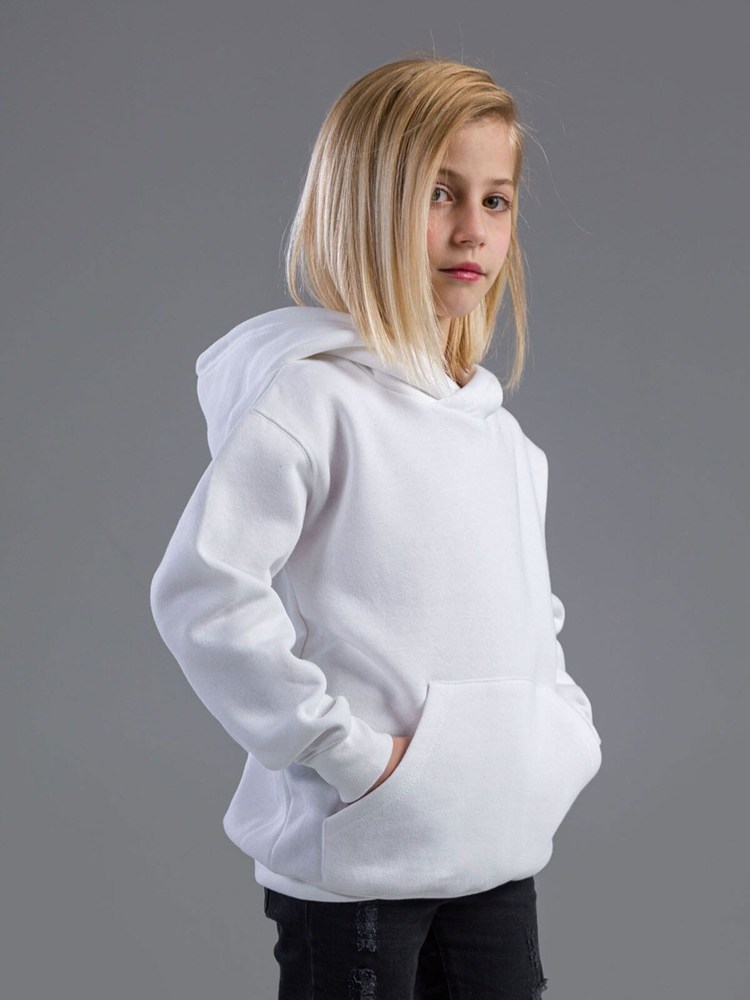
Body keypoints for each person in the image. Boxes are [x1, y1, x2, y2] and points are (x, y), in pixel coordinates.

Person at [149, 54, 602, 1000]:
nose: (472, 228)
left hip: (496, 851)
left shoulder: (507, 442)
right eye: (440, 193)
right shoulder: (308, 403)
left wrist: (561, 741)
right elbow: (205, 595)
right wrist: (347, 757)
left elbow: (532, 621)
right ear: (364, 202)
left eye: (496, 200)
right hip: (361, 860)